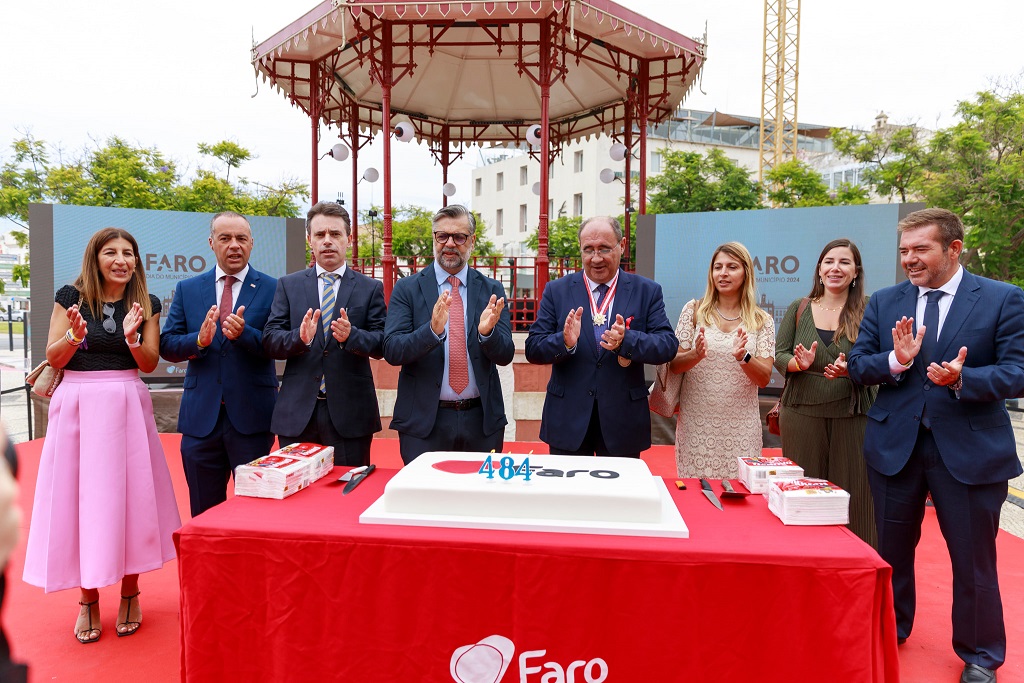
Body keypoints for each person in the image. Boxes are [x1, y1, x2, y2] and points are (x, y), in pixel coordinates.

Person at [848, 208, 1024, 683]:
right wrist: (895, 360)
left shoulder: (1003, 299)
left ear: (953, 249)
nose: (910, 259)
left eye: (920, 249)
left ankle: (981, 654)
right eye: (904, 250)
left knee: (973, 560)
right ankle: (893, 626)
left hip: (969, 453)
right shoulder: (885, 301)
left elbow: (1019, 371)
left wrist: (967, 377)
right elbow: (860, 366)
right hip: (894, 448)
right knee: (892, 552)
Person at [22, 228, 181, 643]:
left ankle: (131, 592)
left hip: (128, 403)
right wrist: (75, 335)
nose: (121, 259)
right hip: (76, 405)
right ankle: (88, 599)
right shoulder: (70, 297)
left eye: (128, 252)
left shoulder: (146, 303)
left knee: (130, 498)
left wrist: (131, 338)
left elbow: (149, 363)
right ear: (95, 258)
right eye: (111, 252)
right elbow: (53, 356)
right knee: (81, 501)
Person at [524, 216, 677, 457]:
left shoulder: (646, 291)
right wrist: (564, 342)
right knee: (570, 495)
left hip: (623, 422)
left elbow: (667, 346)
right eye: (589, 250)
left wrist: (627, 340)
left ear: (622, 245)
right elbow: (533, 348)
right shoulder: (558, 290)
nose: (596, 258)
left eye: (604, 249)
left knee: (619, 495)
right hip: (568, 420)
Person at [159, 211, 278, 517]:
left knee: (254, 513)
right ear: (212, 243)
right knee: (203, 512)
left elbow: (279, 343)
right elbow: (167, 345)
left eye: (241, 238)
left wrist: (245, 334)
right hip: (201, 422)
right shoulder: (188, 289)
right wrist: (198, 341)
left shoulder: (273, 288)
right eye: (225, 238)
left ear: (252, 243)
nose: (233, 245)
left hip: (252, 420)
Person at [383, 205, 514, 463]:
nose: (450, 244)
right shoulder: (407, 288)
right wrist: (431, 331)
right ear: (434, 238)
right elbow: (392, 350)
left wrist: (487, 334)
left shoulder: (491, 288)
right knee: (424, 501)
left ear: (472, 241)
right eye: (442, 236)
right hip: (424, 423)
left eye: (459, 237)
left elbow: (506, 354)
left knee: (480, 500)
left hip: (481, 421)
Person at [263, 201, 386, 466]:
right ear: (310, 240)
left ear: (349, 239)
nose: (327, 241)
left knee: (347, 496)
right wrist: (299, 338)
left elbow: (382, 343)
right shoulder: (288, 285)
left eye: (335, 234)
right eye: (320, 235)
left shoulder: (370, 288)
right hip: (297, 414)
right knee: (297, 497)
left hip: (350, 415)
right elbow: (270, 339)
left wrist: (352, 336)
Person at [773, 238, 877, 546]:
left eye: (844, 262)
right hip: (802, 411)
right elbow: (779, 354)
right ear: (819, 270)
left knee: (856, 494)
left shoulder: (869, 308)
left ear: (856, 271)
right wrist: (797, 363)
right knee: (803, 493)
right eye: (829, 261)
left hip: (854, 413)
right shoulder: (799, 307)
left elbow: (879, 358)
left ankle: (859, 563)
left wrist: (853, 369)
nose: (836, 268)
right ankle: (803, 560)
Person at [668, 242, 775, 478]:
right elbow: (674, 366)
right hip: (697, 426)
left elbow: (764, 378)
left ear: (746, 272)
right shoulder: (694, 311)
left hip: (741, 428)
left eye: (732, 267)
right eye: (718, 267)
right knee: (696, 499)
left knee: (740, 503)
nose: (723, 273)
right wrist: (695, 355)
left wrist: (744, 357)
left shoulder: (762, 320)